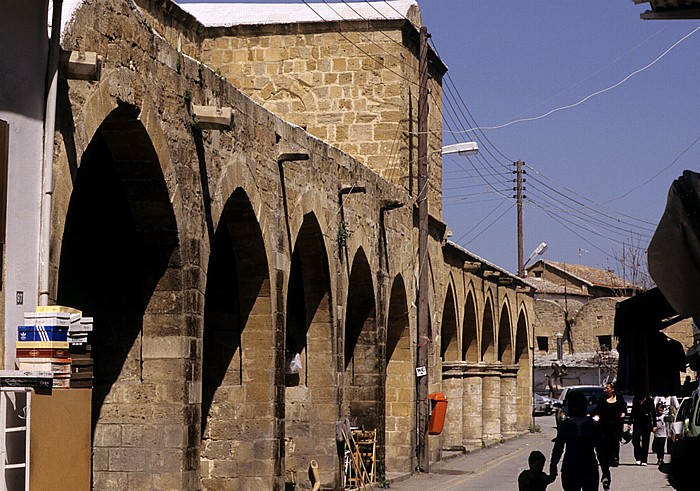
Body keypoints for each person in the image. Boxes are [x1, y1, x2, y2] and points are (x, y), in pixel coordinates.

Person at [550, 390, 610, 491]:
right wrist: (553, 465)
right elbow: (558, 448)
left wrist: (605, 470)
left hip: (588, 468)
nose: (573, 407)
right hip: (572, 468)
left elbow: (600, 449)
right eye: (572, 404)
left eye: (576, 404)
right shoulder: (565, 426)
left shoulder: (593, 425)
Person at [593, 382, 627, 467]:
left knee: (615, 441)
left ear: (613, 389)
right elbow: (598, 409)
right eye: (606, 388)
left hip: (616, 424)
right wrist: (593, 415)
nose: (606, 390)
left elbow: (623, 409)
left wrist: (622, 416)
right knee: (605, 442)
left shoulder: (619, 399)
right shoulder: (602, 399)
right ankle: (606, 458)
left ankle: (615, 458)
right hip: (604, 424)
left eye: (607, 388)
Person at [629, 394, 655, 465]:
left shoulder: (650, 400)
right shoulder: (636, 399)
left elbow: (653, 412)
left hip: (647, 423)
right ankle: (638, 457)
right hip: (637, 422)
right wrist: (630, 422)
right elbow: (633, 410)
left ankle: (644, 459)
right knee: (635, 439)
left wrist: (654, 425)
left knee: (645, 441)